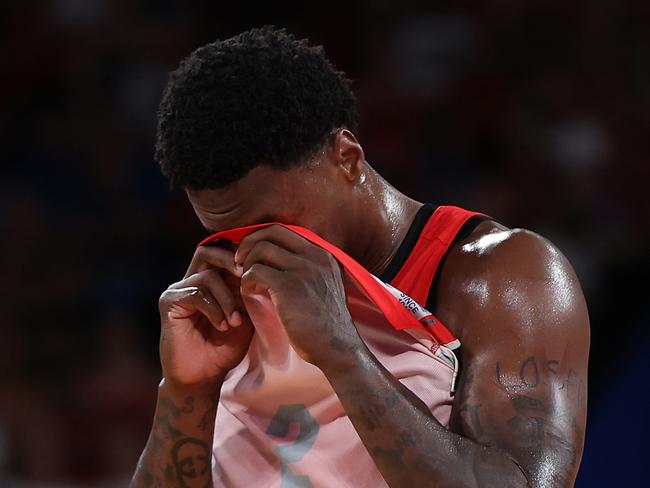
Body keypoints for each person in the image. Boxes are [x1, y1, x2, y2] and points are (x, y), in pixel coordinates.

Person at [131, 26, 589, 487]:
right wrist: (188, 391)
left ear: (346, 157)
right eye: (225, 235)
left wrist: (343, 352)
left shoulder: (503, 277)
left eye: (273, 226)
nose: (249, 253)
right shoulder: (228, 293)